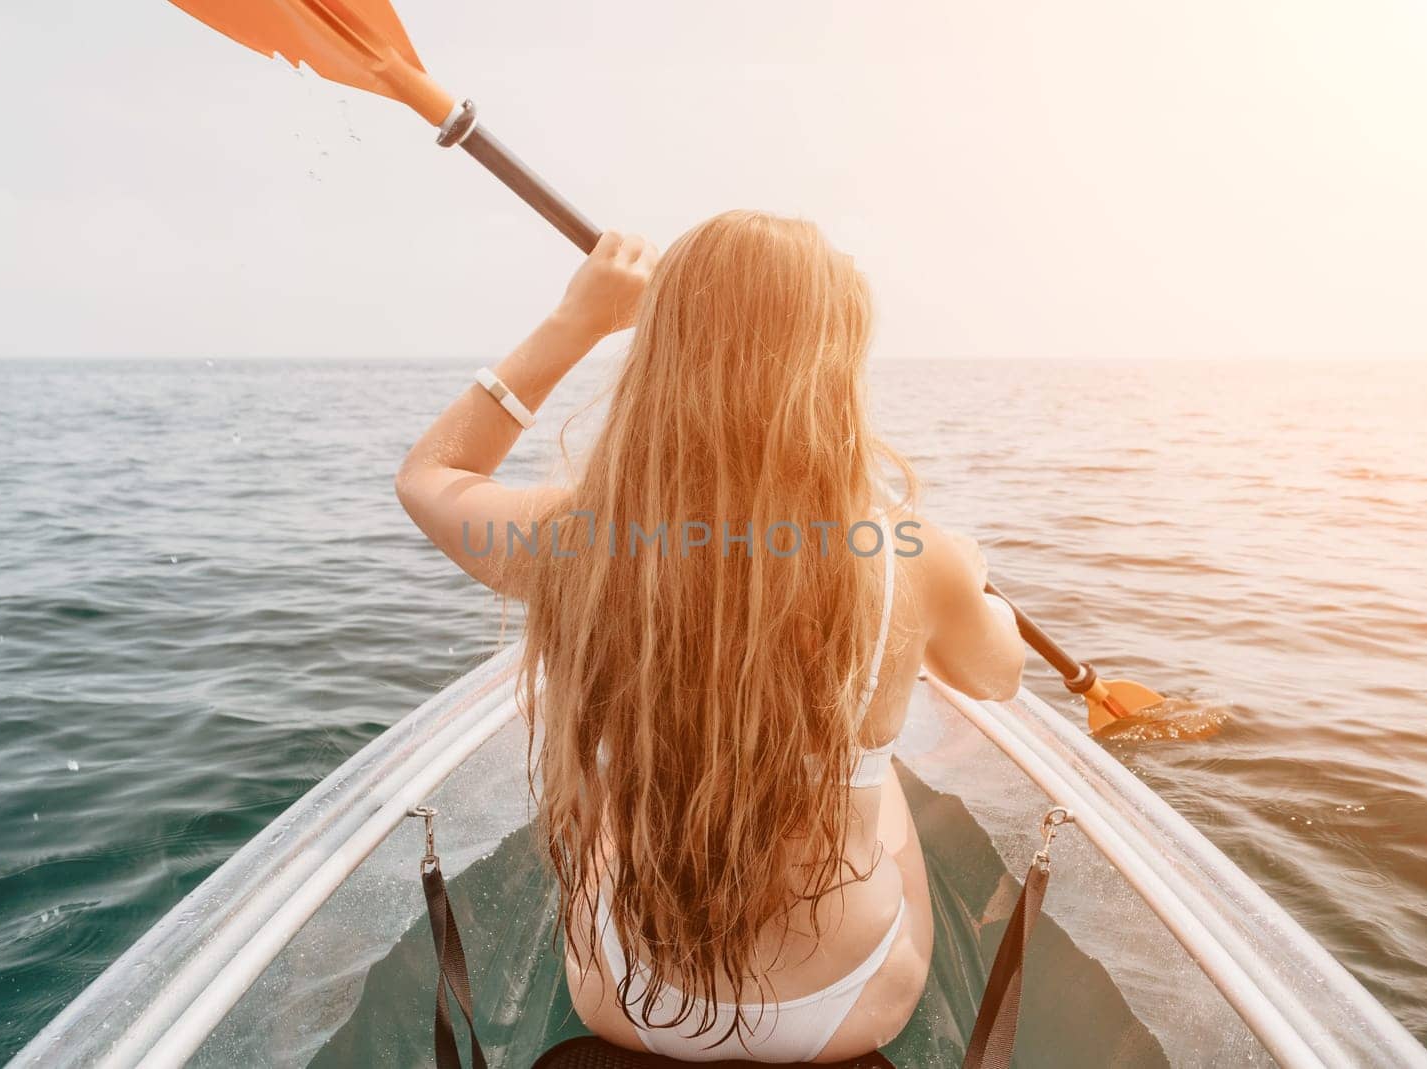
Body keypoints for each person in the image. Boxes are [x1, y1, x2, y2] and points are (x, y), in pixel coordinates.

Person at [395, 210, 1026, 1063]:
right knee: (885, 782)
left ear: (660, 350)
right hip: (849, 1007)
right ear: (834, 369)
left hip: (630, 993)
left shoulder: (576, 538)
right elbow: (997, 677)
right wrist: (976, 585)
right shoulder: (911, 556)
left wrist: (575, 320)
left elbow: (431, 476)